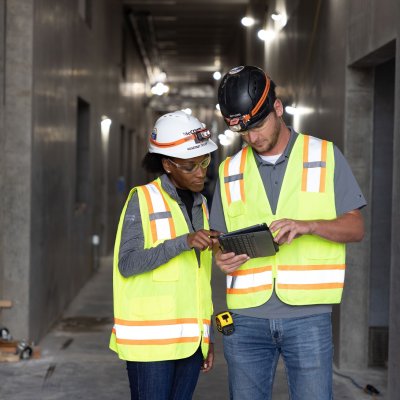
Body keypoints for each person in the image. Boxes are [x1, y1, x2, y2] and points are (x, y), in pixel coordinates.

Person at [210, 65, 366, 400]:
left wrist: (309, 226)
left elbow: (356, 227)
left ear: (277, 108)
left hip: (308, 317)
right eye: (244, 132)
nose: (253, 138)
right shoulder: (229, 170)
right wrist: (221, 256)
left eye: (257, 125)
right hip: (245, 318)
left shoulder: (324, 156)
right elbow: (218, 237)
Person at [110, 110, 219, 400]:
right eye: (191, 166)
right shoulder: (142, 199)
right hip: (151, 345)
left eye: (204, 162)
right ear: (169, 164)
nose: (201, 172)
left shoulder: (202, 205)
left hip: (192, 341)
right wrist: (182, 242)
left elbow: (199, 279)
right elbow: (128, 263)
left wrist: (207, 338)